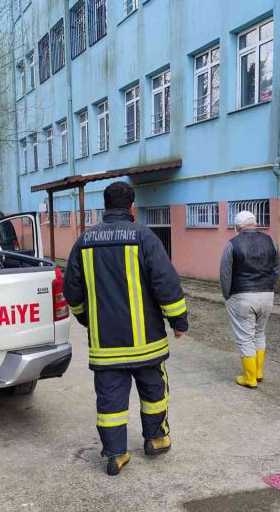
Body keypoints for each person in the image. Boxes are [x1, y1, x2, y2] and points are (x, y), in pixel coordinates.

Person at [63, 181, 188, 476]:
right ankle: (156, 440)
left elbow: (72, 292)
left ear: (105, 207)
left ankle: (116, 454)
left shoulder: (84, 241)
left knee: (110, 400)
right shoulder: (145, 237)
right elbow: (165, 284)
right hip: (148, 344)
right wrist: (178, 321)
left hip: (106, 345)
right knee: (154, 391)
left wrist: (86, 319)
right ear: (131, 208)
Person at [219, 211, 280, 389]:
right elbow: (278, 269)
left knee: (245, 338)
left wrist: (227, 294)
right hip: (267, 294)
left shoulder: (232, 244)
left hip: (242, 295)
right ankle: (258, 372)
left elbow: (225, 274)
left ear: (237, 227)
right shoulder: (271, 242)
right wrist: (272, 288)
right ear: (255, 224)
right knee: (259, 334)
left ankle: (249, 378)